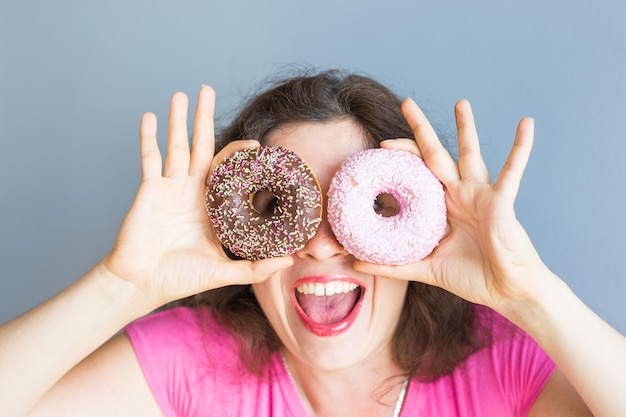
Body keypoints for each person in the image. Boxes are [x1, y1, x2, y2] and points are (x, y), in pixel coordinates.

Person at [1, 70, 625, 417]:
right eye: (283, 210)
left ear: (425, 225)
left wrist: (532, 296)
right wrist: (121, 288)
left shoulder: (504, 370)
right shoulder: (190, 365)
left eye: (366, 211)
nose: (323, 247)